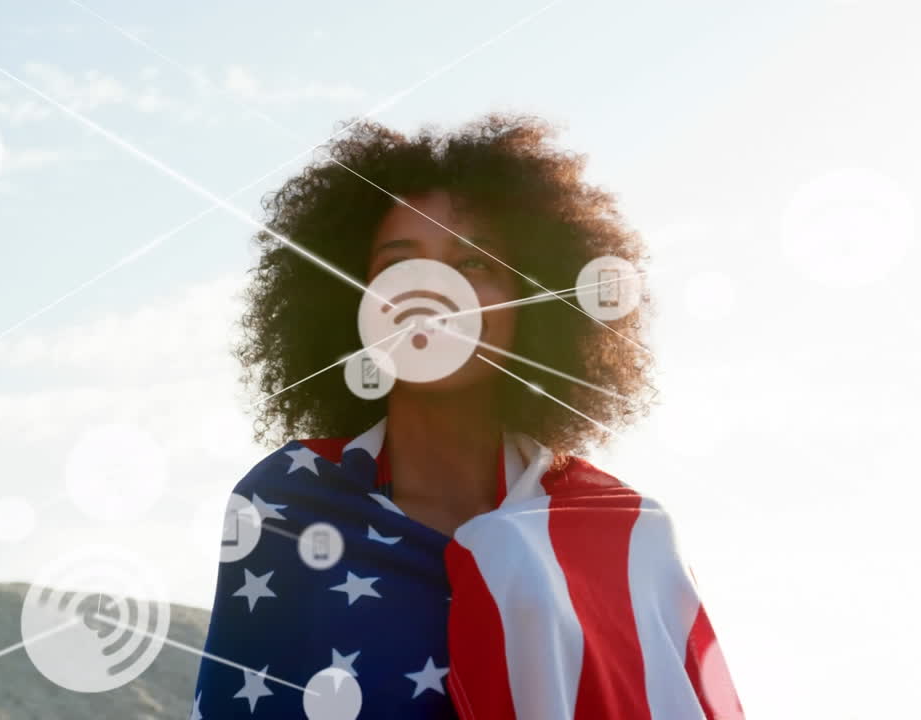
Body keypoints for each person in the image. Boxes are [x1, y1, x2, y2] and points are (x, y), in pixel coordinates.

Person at [190, 112, 744, 719]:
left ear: (530, 300)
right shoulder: (287, 504)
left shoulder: (628, 535)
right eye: (399, 264)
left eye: (474, 264)